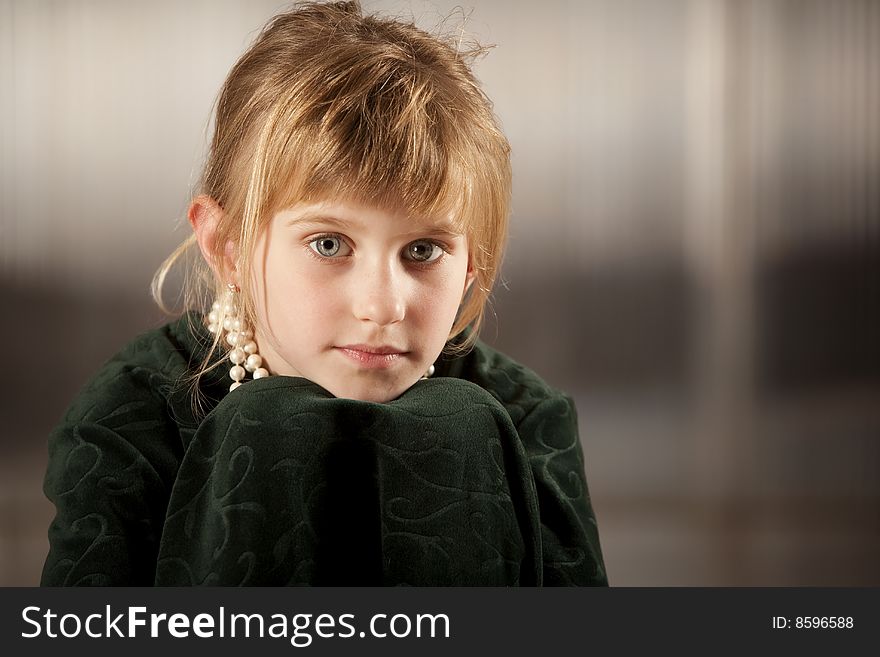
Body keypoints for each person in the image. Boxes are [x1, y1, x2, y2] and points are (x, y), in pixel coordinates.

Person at [41, 0, 607, 586]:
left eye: (423, 250)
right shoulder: (131, 419)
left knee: (458, 420)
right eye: (329, 245)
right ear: (227, 245)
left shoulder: (523, 416)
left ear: (471, 266)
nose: (382, 307)